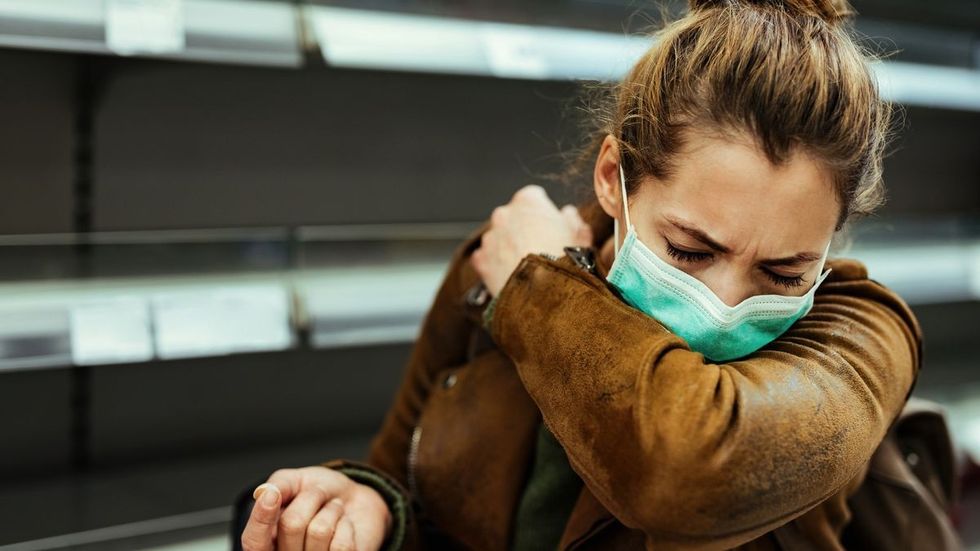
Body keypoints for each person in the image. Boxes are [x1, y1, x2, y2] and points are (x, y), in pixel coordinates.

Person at [240, 0, 929, 549]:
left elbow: (682, 473)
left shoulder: (863, 335)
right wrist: (371, 509)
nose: (723, 302)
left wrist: (538, 289)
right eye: (689, 251)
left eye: (782, 272)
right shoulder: (495, 266)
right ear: (611, 177)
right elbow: (403, 473)